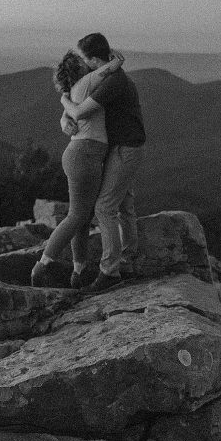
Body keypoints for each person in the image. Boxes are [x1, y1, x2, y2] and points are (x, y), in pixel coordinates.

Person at [30, 48, 125, 289]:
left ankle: (79, 271)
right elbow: (112, 66)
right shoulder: (87, 83)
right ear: (79, 70)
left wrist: (63, 101)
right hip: (86, 155)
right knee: (77, 215)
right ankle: (42, 266)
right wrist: (115, 60)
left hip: (77, 154)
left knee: (82, 215)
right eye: (84, 63)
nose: (88, 64)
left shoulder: (75, 91)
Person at [60, 32, 146, 292]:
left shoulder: (113, 81)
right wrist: (64, 119)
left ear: (95, 60)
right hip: (121, 146)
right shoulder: (106, 76)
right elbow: (74, 113)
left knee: (104, 208)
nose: (82, 64)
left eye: (85, 59)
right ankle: (127, 263)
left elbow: (79, 111)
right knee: (124, 204)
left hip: (125, 148)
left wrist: (63, 99)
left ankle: (110, 272)